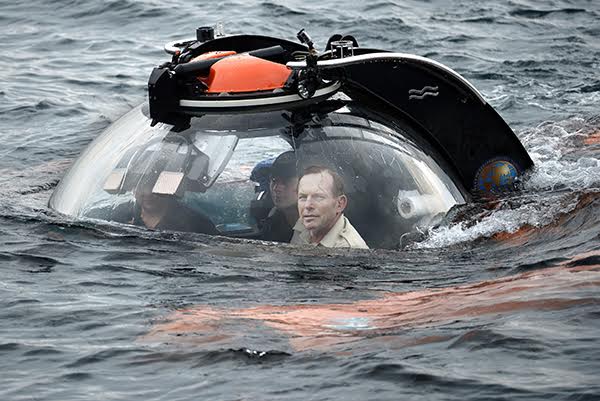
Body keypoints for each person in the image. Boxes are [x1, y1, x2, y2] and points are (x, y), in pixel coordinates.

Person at [291, 166, 368, 249]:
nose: (307, 205)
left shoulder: (350, 249)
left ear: (340, 204)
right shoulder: (306, 222)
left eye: (318, 197)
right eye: (303, 197)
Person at [260, 151, 300, 242]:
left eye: (286, 181)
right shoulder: (274, 217)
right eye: (274, 180)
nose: (276, 188)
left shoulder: (316, 225)